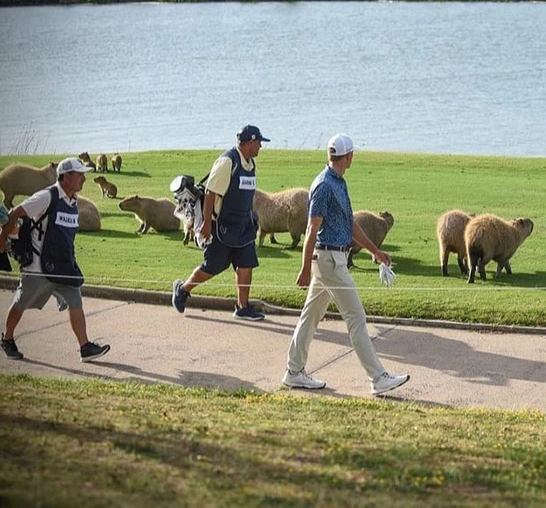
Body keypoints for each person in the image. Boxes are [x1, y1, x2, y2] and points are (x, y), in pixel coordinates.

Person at [282, 134, 410, 396]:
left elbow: (349, 224)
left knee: (311, 316)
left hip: (332, 258)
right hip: (329, 260)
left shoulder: (339, 183)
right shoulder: (324, 186)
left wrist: (375, 251)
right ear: (348, 156)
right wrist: (305, 267)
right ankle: (377, 378)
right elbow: (311, 228)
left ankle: (293, 372)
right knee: (356, 317)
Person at [0, 157, 111, 363]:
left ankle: (85, 347)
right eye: (79, 174)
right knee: (21, 302)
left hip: (63, 265)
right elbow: (15, 212)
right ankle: (7, 339)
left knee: (75, 300)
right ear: (65, 177)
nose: (83, 178)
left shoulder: (72, 201)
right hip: (39, 266)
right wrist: (1, 240)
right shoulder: (47, 196)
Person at [172, 125, 269, 321]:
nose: (260, 146)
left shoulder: (250, 163)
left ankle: (242, 308)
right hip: (221, 226)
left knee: (246, 264)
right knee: (212, 267)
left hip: (243, 225)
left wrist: (251, 215)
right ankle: (183, 289)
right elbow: (210, 193)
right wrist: (207, 224)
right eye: (259, 142)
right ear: (250, 142)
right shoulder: (227, 162)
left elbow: (245, 194)